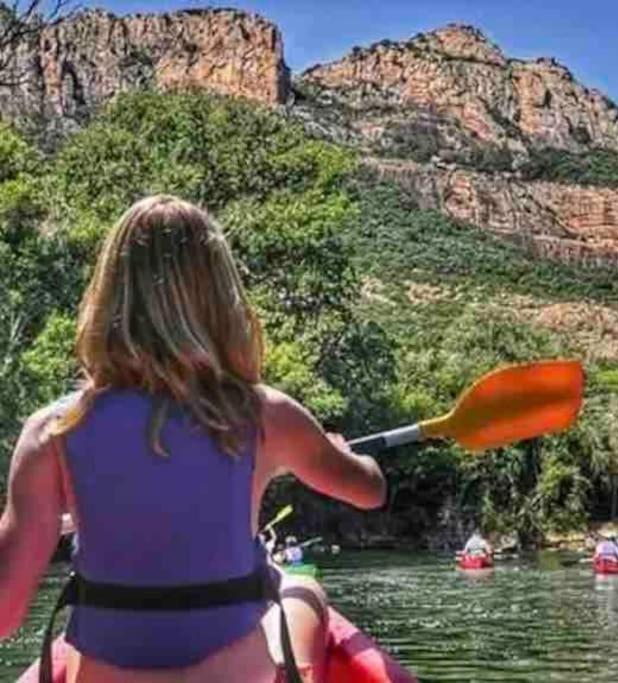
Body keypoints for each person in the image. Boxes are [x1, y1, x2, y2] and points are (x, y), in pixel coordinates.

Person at [0, 195, 387, 683]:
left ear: (107, 298)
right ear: (220, 300)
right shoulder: (264, 413)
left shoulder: (53, 431)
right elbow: (369, 491)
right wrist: (342, 454)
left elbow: (3, 614)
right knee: (301, 588)